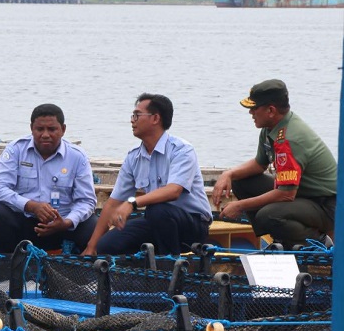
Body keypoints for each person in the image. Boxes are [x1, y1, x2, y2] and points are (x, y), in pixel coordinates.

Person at [213, 79, 336, 248]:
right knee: (241, 182)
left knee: (268, 215)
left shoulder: (289, 139)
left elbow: (286, 194)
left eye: (254, 108)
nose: (250, 113)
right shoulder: (270, 128)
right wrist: (229, 174)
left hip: (325, 205)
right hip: (301, 194)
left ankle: (319, 241)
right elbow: (259, 164)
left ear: (271, 110)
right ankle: (282, 236)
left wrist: (240, 205)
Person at [83, 93, 211, 256]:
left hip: (192, 226)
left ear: (155, 118)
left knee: (157, 210)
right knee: (107, 245)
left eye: (137, 115)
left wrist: (132, 203)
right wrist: (92, 246)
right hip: (157, 222)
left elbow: (174, 191)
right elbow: (113, 203)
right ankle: (140, 274)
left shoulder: (182, 150)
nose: (132, 120)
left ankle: (170, 267)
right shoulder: (133, 157)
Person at [0, 103, 98, 253]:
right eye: (40, 129)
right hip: (25, 221)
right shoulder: (16, 149)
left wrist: (67, 222)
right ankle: (8, 262)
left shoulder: (77, 157)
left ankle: (79, 268)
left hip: (62, 225)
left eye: (52, 129)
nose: (45, 134)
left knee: (93, 225)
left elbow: (87, 200)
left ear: (63, 130)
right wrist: (31, 206)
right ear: (31, 128)